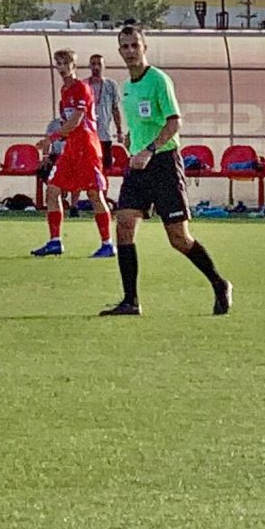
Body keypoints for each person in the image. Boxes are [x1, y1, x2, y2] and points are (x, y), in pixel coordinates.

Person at [98, 22, 232, 317]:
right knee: (123, 225)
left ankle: (219, 283)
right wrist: (134, 141)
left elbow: (174, 122)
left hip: (164, 163)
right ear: (119, 51)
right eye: (125, 46)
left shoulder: (158, 80)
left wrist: (150, 149)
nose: (130, 51)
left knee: (178, 238)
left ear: (144, 47)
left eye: (135, 45)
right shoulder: (128, 88)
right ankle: (130, 301)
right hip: (138, 166)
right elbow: (142, 122)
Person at [32, 49, 115, 258]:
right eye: (58, 64)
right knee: (53, 189)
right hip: (71, 148)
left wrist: (51, 139)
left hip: (87, 148)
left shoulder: (82, 88)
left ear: (74, 66)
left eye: (65, 63)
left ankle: (108, 244)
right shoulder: (64, 92)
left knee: (94, 194)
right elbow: (66, 122)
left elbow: (76, 121)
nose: (61, 68)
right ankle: (55, 241)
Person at [86, 53, 126, 178]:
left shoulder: (111, 85)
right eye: (93, 64)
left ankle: (103, 196)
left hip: (104, 134)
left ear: (104, 66)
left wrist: (119, 130)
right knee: (88, 167)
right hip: (88, 134)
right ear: (89, 66)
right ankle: (88, 196)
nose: (96, 67)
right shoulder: (84, 85)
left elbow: (115, 109)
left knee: (105, 168)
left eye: (99, 64)